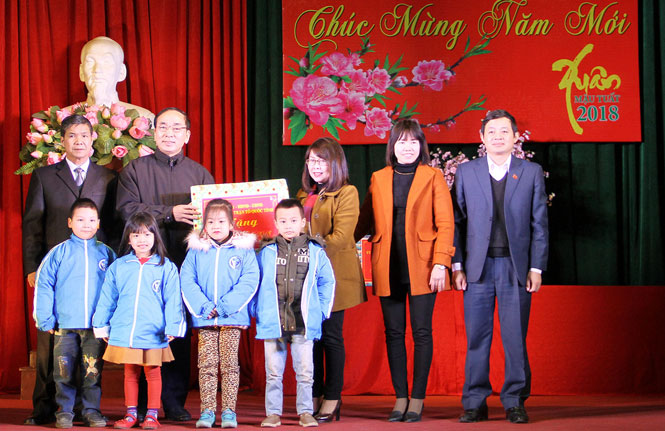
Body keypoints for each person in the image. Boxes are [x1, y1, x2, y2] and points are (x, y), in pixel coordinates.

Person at [116, 107, 215, 421]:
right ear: (153, 132)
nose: (169, 133)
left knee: (178, 331)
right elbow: (126, 210)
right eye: (163, 127)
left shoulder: (200, 174)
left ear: (187, 135)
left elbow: (214, 219)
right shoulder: (134, 170)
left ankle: (173, 402)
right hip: (144, 264)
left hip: (186, 264)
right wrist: (169, 213)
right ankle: (142, 405)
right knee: (144, 327)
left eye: (176, 128)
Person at [355, 118, 455, 423]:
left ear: (421, 145)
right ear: (392, 146)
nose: (408, 147)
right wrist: (331, 243)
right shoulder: (378, 178)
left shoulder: (433, 176)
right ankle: (400, 397)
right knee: (393, 333)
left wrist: (441, 262)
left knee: (422, 333)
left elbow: (446, 223)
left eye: (413, 141)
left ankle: (418, 398)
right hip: (388, 264)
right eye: (402, 141)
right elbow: (364, 221)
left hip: (424, 265)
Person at [452, 109, 548, 424]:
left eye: (504, 131)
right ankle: (474, 402)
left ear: (515, 137)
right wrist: (457, 264)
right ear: (481, 137)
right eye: (491, 131)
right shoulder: (466, 172)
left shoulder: (531, 172)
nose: (497, 137)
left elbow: (539, 224)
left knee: (514, 338)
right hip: (476, 269)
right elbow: (456, 222)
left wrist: (536, 267)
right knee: (477, 338)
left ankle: (515, 401)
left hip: (516, 269)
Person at [22, 114, 117, 426]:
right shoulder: (44, 176)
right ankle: (45, 409)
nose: (79, 141)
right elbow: (32, 225)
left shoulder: (108, 177)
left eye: (84, 135)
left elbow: (114, 225)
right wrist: (33, 266)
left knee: (89, 345)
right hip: (55, 271)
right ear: (62, 140)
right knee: (50, 344)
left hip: (95, 273)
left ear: (93, 140)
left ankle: (86, 409)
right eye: (72, 135)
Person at [93, 212, 186, 430]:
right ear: (129, 239)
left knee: (153, 372)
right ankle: (131, 414)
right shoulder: (119, 266)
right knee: (130, 373)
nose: (141, 240)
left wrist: (173, 326)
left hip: (154, 331)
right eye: (136, 235)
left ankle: (152, 415)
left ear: (155, 237)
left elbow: (173, 300)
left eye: (146, 234)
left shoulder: (166, 266)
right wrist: (101, 325)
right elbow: (107, 297)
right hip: (126, 330)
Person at [295, 138, 366, 421]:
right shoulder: (304, 194)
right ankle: (313, 393)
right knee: (311, 337)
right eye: (311, 160)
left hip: (334, 276)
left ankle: (333, 397)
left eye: (321, 160)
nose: (315, 166)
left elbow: (341, 237)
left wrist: (304, 250)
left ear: (335, 163)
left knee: (332, 337)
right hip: (305, 278)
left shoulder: (347, 192)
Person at [251, 199, 335, 428]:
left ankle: (306, 411)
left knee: (305, 371)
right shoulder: (266, 252)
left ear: (303, 222)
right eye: (283, 221)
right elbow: (254, 281)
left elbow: (327, 281)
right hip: (274, 321)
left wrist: (321, 312)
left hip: (303, 321)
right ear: (276, 223)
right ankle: (273, 413)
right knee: (273, 372)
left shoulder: (315, 251)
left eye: (293, 220)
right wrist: (255, 309)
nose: (288, 225)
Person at [32, 199, 116, 429]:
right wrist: (45, 319)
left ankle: (91, 410)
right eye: (80, 219)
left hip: (96, 327)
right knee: (63, 371)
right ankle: (65, 411)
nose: (86, 224)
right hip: (65, 326)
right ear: (70, 222)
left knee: (92, 371)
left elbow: (116, 288)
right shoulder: (58, 252)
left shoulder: (107, 254)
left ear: (98, 223)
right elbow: (44, 285)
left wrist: (111, 321)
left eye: (91, 220)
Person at [180, 199, 260, 429]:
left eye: (221, 221)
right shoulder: (196, 250)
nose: (216, 226)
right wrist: (204, 307)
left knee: (229, 365)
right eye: (211, 222)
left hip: (231, 319)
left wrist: (226, 307)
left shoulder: (244, 250)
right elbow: (187, 279)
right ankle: (207, 411)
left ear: (231, 224)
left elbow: (250, 280)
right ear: (204, 225)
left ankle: (228, 411)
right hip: (205, 318)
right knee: (206, 366)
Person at [76, 36, 153, 119]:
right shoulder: (66, 118)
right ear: (81, 72)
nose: (97, 70)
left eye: (107, 62)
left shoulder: (143, 118)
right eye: (90, 62)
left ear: (121, 72)